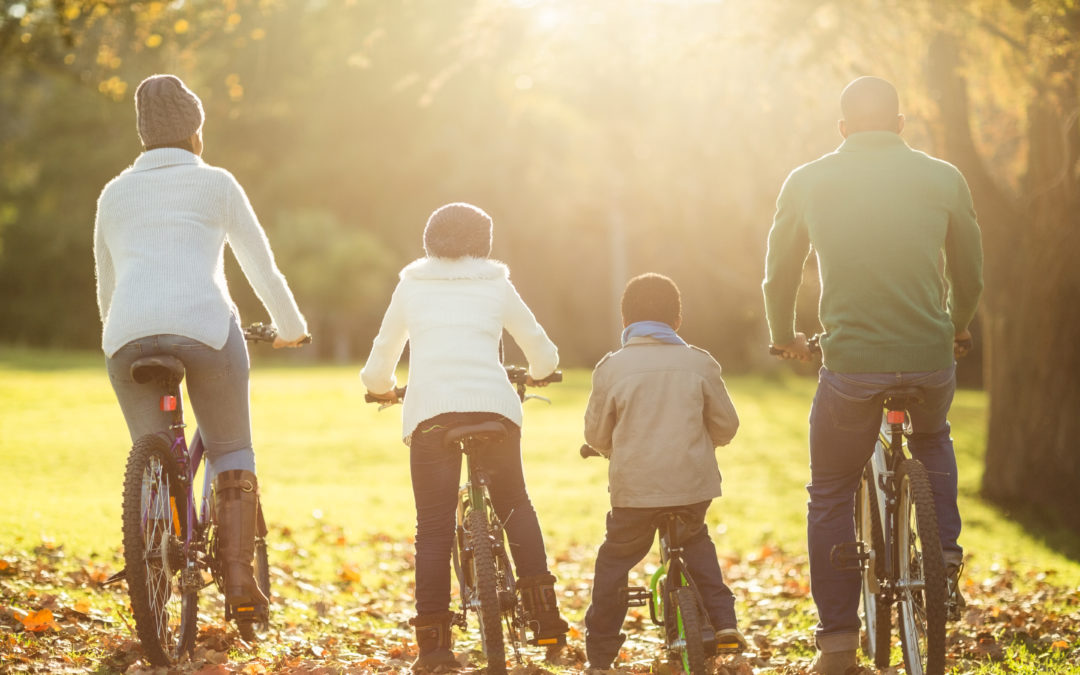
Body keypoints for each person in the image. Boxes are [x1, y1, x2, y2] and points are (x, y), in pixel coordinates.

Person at [763, 76, 983, 674]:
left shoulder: (808, 179)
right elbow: (970, 270)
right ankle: (942, 557)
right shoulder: (944, 177)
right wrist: (956, 324)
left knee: (830, 490)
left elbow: (779, 270)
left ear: (842, 129)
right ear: (901, 124)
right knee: (933, 436)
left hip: (851, 365)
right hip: (929, 356)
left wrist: (784, 335)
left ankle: (837, 646)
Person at [94, 74, 309, 626]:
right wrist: (291, 327)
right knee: (231, 446)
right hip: (206, 331)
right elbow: (261, 267)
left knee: (150, 447)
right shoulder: (216, 183)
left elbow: (106, 287)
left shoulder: (114, 193)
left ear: (142, 134)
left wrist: (122, 336)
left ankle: (154, 539)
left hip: (125, 337)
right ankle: (238, 579)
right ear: (196, 129)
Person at [361, 202, 570, 671]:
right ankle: (546, 617)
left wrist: (382, 390)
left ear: (429, 241)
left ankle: (435, 647)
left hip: (431, 415)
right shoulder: (496, 284)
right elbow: (543, 352)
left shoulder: (411, 287)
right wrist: (537, 375)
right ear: (485, 243)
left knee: (433, 529)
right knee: (515, 504)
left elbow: (380, 362)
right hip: (494, 408)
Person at [582, 272, 746, 671]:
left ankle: (601, 653)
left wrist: (606, 449)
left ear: (625, 322)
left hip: (635, 493)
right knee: (696, 542)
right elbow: (727, 425)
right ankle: (724, 622)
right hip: (692, 487)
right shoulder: (699, 363)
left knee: (615, 563)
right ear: (677, 321)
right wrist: (711, 441)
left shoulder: (612, 368)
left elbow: (597, 433)